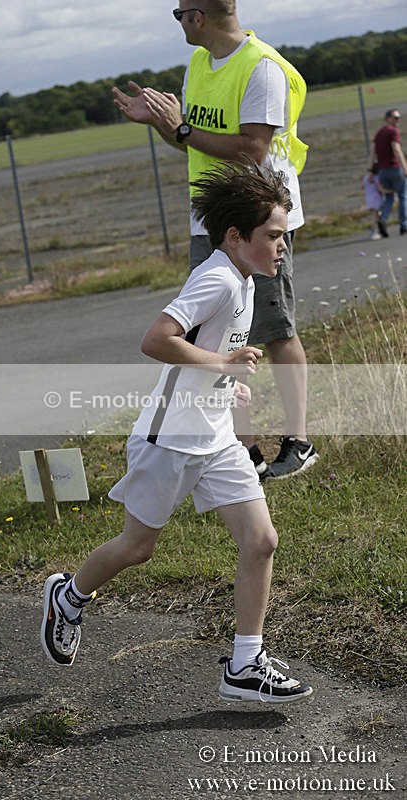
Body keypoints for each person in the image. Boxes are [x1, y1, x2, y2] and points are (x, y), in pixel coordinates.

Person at [41, 160, 313, 705]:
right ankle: (68, 596)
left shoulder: (245, 278)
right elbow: (156, 339)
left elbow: (203, 352)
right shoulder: (215, 277)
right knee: (138, 547)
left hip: (214, 439)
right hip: (169, 441)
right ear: (236, 236)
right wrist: (221, 365)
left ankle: (245, 663)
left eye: (284, 235)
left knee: (261, 541)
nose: (283, 246)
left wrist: (226, 384)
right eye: (274, 236)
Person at [112, 0, 318, 481]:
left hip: (256, 221)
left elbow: (252, 148)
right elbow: (191, 139)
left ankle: (298, 441)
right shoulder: (200, 63)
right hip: (210, 219)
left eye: (180, 13)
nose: (180, 22)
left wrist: (182, 127)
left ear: (198, 16)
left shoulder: (260, 67)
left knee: (275, 328)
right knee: (218, 333)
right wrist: (164, 125)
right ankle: (242, 447)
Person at [368, 108, 407, 237]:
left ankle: (383, 219)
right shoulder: (393, 132)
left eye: (399, 118)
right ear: (388, 118)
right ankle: (404, 224)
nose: (398, 120)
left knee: (389, 197)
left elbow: (373, 153)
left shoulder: (379, 133)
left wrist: (370, 171)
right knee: (402, 196)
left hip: (383, 171)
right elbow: (396, 149)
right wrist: (405, 167)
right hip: (394, 168)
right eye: (395, 117)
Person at [362, 164, 385, 240]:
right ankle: (374, 231)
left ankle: (375, 230)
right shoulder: (376, 178)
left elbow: (362, 187)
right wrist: (390, 191)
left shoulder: (366, 178)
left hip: (369, 198)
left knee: (377, 214)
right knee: (376, 216)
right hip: (376, 198)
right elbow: (380, 189)